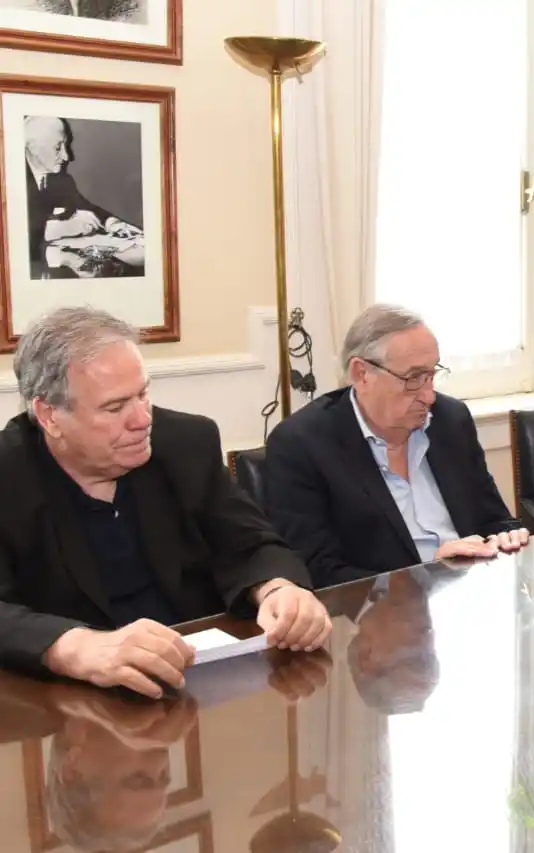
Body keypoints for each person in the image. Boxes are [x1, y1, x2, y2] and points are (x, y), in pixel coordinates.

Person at [0, 307, 331, 700]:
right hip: (70, 704)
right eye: (114, 407)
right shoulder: (9, 474)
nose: (142, 419)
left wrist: (279, 590)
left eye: (143, 394)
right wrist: (74, 646)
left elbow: (249, 544)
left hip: (198, 682)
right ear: (49, 415)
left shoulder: (185, 443)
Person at [265, 304, 530, 588]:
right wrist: (427, 573)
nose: (428, 396)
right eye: (414, 379)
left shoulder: (450, 420)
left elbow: (495, 519)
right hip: (375, 623)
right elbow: (319, 573)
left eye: (431, 374)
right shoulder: (302, 444)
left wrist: (507, 536)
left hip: (466, 599)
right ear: (361, 373)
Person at [25, 117, 144, 276]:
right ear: (33, 148)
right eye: (58, 147)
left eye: (65, 146)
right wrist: (58, 230)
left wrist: (112, 223)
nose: (66, 156)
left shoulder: (60, 179)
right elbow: (14, 245)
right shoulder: (9, 181)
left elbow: (85, 206)